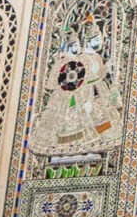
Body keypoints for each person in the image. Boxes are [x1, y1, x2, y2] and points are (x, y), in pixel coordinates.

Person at [29, 13, 121, 155]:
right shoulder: (82, 58)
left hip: (96, 91)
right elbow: (85, 76)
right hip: (81, 94)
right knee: (75, 123)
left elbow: (97, 75)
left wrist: (107, 69)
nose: (99, 43)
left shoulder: (96, 57)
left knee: (101, 119)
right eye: (96, 39)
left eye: (100, 40)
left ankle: (98, 145)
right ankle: (72, 149)